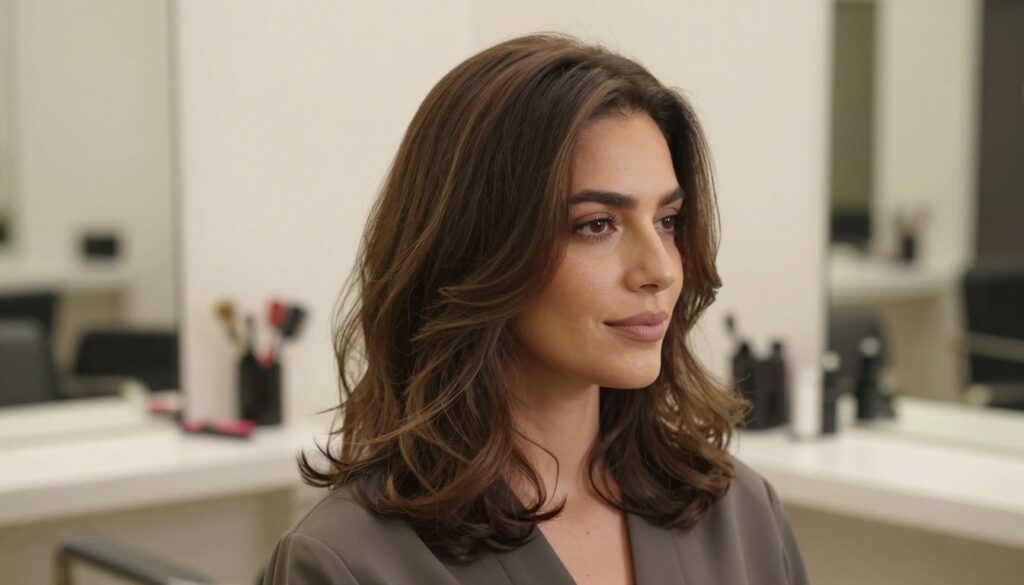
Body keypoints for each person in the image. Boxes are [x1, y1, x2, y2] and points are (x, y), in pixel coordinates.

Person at [263, 32, 810, 585]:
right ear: (475, 248)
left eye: (667, 221)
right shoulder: (348, 562)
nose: (661, 270)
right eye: (597, 224)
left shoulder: (741, 515)